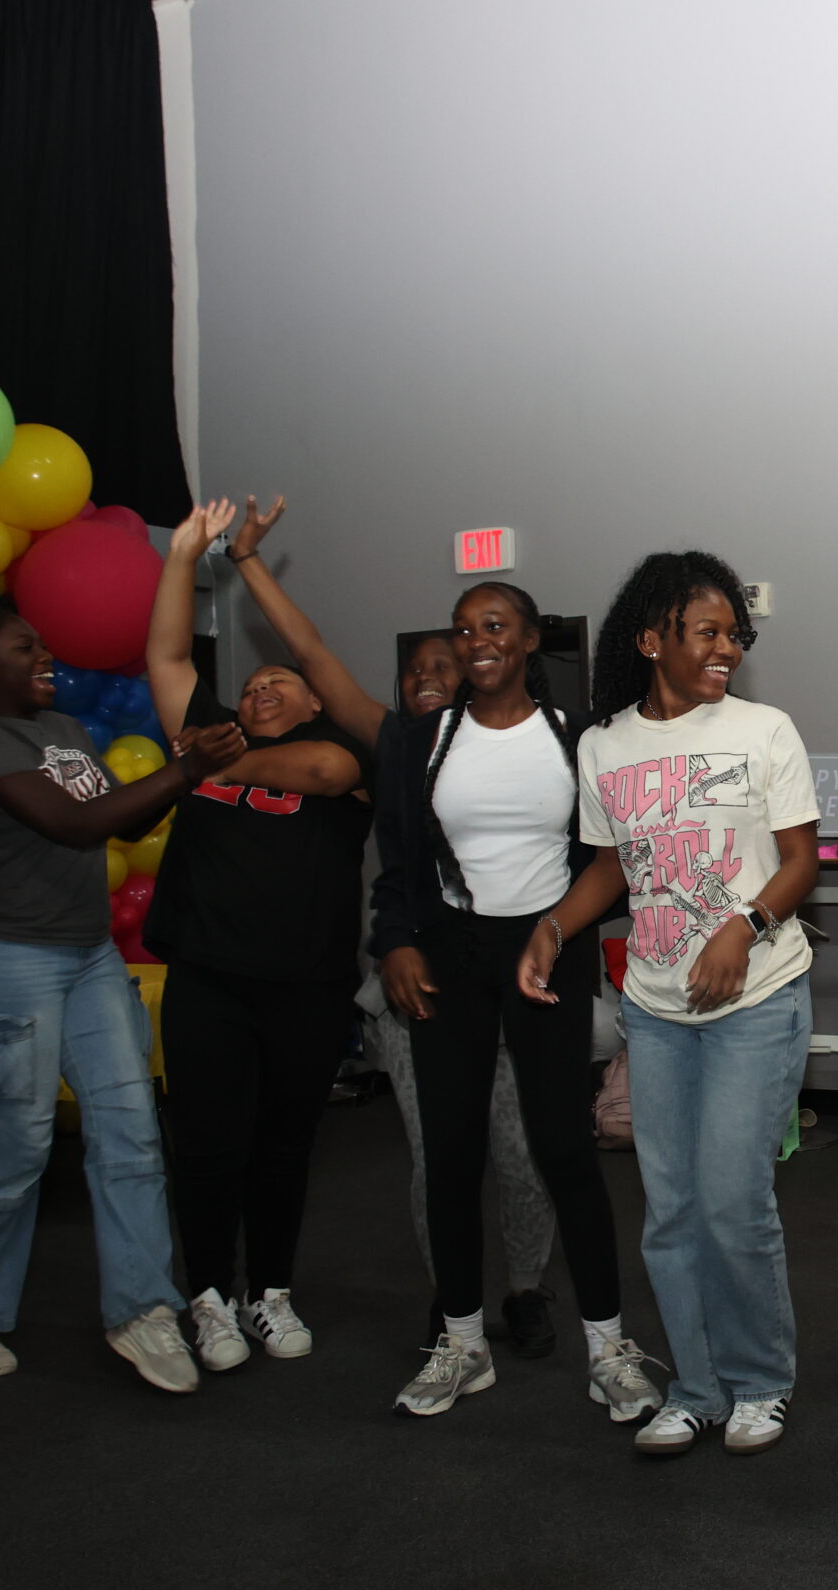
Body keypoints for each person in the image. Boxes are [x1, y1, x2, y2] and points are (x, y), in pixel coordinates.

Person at [211, 502, 563, 1358]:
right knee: (438, 1158)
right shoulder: (400, 744)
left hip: (511, 979)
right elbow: (313, 655)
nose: (433, 674)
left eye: (452, 659)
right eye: (417, 668)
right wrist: (249, 560)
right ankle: (453, 1299)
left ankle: (525, 1287)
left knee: (522, 1152)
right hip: (418, 986)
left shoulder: (543, 740)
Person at [516, 551, 819, 1457]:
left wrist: (744, 926)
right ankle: (696, 1387)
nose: (727, 648)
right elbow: (612, 867)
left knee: (732, 1200)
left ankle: (760, 1380)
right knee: (673, 1209)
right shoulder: (604, 745)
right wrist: (553, 927)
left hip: (756, 997)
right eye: (708, 632)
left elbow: (801, 860)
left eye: (735, 634)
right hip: (655, 1006)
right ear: (652, 639)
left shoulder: (764, 729)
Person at [0, 601, 246, 1393]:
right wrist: (185, 769)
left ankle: (142, 1308)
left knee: (132, 1130)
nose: (45, 656)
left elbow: (120, 822)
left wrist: (185, 767)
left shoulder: (65, 729)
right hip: (16, 957)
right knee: (17, 1142)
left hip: (90, 954)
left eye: (44, 645)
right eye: (25, 648)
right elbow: (74, 824)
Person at [371, 576, 658, 1420]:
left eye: (495, 625)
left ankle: (609, 1349)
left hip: (546, 953)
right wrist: (395, 940)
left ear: (532, 639)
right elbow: (398, 864)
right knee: (451, 1156)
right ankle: (462, 1344)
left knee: (564, 1151)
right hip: (449, 957)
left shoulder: (579, 737)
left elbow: (606, 860)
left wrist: (557, 933)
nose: (477, 641)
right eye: (463, 629)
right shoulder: (423, 740)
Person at [142, 498, 376, 1372]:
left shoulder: (340, 749)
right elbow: (167, 656)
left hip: (304, 986)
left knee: (284, 1144)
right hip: (207, 977)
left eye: (278, 682)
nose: (258, 690)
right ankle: (208, 1294)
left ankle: (269, 1291)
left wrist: (204, 761)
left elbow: (323, 770)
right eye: (248, 686)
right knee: (206, 1143)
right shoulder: (208, 733)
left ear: (315, 697)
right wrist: (180, 557)